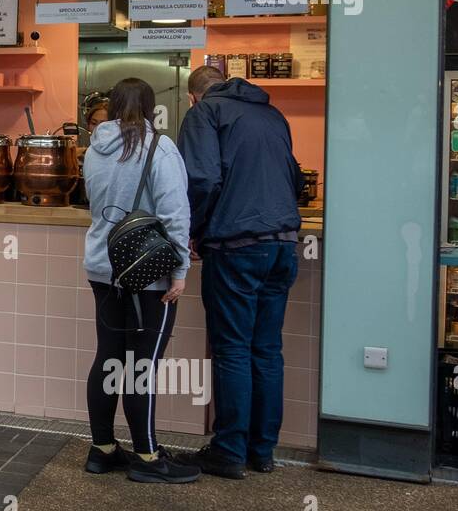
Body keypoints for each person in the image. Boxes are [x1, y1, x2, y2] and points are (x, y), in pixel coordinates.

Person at [177, 66, 303, 479]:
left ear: (193, 95)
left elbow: (201, 178)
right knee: (266, 348)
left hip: (236, 245)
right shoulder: (272, 114)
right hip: (283, 243)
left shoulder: (205, 114)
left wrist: (192, 231)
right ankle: (262, 450)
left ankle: (229, 451)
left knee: (232, 348)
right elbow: (296, 177)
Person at [80, 78, 197, 484]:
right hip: (146, 274)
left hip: (102, 267)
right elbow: (175, 215)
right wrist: (180, 271)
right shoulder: (159, 147)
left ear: (112, 107)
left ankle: (103, 449)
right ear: (150, 108)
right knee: (141, 365)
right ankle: (147, 458)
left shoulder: (95, 148)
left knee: (109, 357)